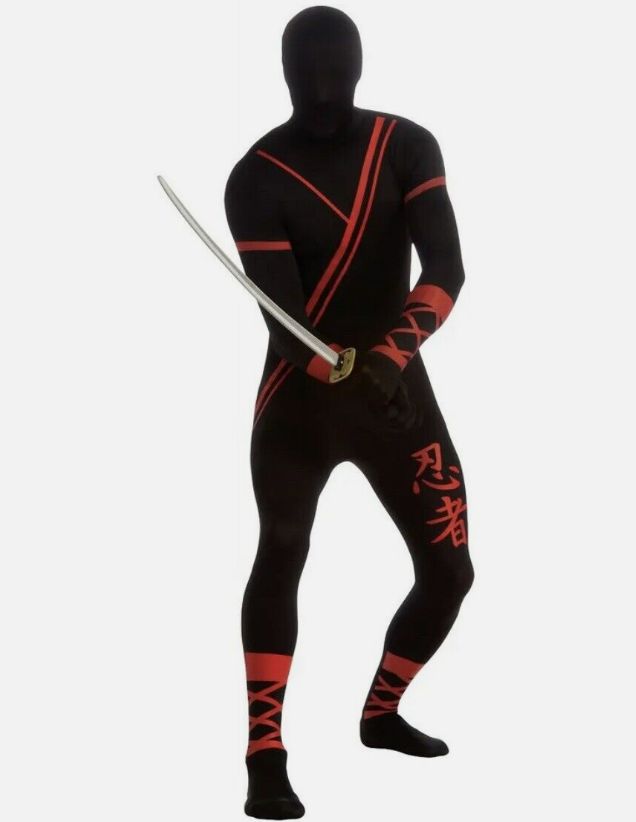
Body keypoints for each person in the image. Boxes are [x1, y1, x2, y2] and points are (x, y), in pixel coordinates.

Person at [224, 6, 475, 819]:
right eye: (309, 70)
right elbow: (284, 318)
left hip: (394, 389)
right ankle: (265, 750)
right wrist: (331, 365)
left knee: (451, 571)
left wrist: (391, 358)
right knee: (282, 549)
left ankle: (380, 713)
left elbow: (446, 267)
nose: (325, 86)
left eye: (338, 68)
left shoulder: (407, 145)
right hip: (298, 400)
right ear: (284, 73)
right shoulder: (256, 176)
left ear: (361, 66)